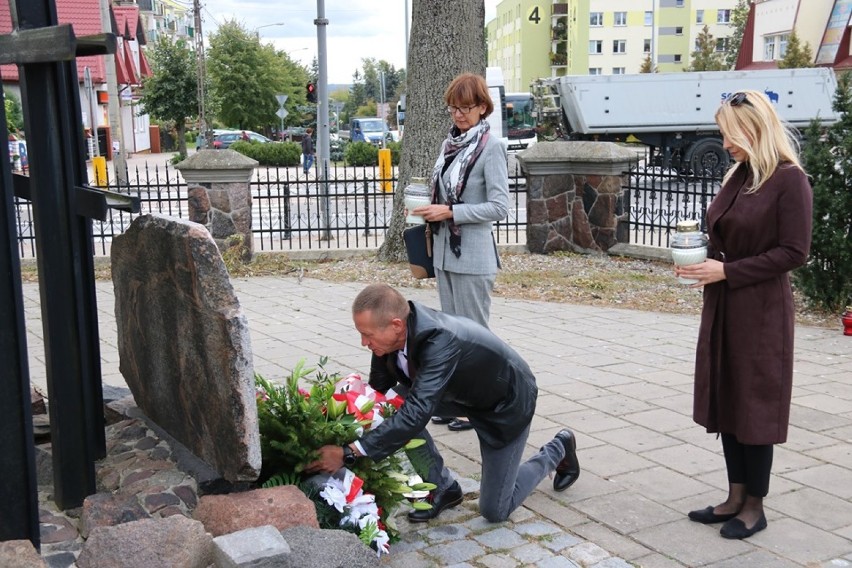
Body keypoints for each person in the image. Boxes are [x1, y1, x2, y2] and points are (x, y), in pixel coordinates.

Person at [306, 284, 580, 523]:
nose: (364, 342)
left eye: (367, 334)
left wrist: (349, 452)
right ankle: (443, 487)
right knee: (394, 407)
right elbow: (377, 392)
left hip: (504, 403)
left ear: (396, 325)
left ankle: (558, 449)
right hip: (455, 393)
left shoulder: (439, 340)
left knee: (495, 510)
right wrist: (334, 419)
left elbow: (417, 413)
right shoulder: (388, 341)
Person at [675, 90, 812, 540]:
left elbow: (794, 252)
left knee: (755, 405)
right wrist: (699, 256)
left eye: (730, 135)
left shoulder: (790, 180)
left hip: (761, 311)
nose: (725, 143)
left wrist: (727, 271)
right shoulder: (740, 174)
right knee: (727, 396)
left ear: (754, 130)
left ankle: (755, 506)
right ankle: (734, 495)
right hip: (725, 303)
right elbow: (725, 233)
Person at [412, 72, 509, 432]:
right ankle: (459, 400)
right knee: (451, 334)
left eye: (466, 108)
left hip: (473, 255)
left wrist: (451, 212)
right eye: (453, 108)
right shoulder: (448, 144)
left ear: (483, 107)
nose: (458, 115)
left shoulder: (492, 147)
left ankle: (484, 403)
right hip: (445, 251)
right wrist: (427, 206)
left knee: (476, 336)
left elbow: (500, 207)